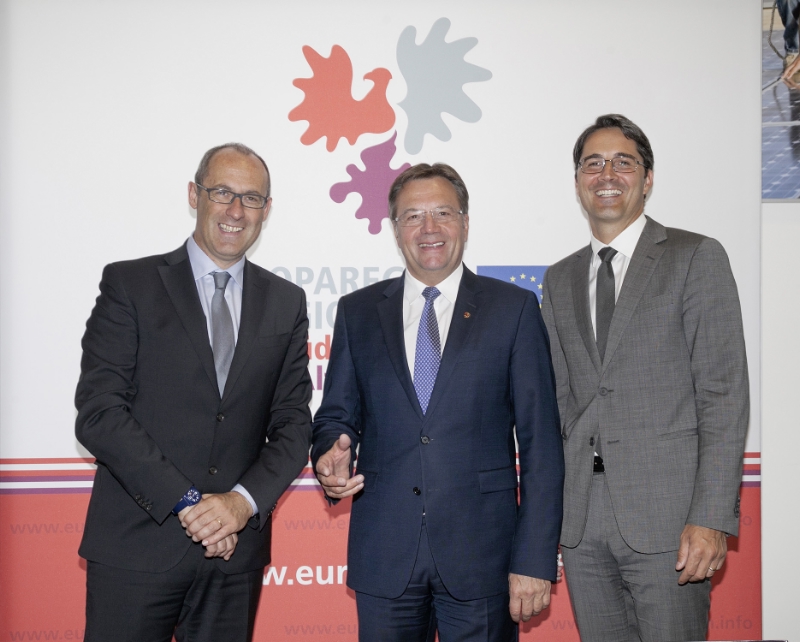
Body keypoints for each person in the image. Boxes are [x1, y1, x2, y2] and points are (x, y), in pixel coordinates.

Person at [311, 163, 564, 642]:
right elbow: (336, 416)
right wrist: (329, 454)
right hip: (385, 552)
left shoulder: (513, 310)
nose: (429, 228)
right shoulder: (357, 312)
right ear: (395, 230)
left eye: (443, 213)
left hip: (484, 558)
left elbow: (542, 445)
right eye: (413, 216)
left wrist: (534, 558)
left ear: (465, 222)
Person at [75, 143, 312, 641]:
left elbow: (293, 424)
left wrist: (240, 505)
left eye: (251, 198)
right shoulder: (130, 284)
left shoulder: (286, 302)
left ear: (266, 210)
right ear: (194, 194)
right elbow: (100, 413)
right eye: (222, 192)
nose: (235, 210)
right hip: (136, 548)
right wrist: (190, 504)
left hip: (234, 558)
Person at [541, 114, 749, 641]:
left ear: (647, 178)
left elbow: (723, 396)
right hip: (582, 524)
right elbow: (560, 401)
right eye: (593, 164)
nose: (607, 174)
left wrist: (711, 517)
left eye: (623, 162)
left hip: (672, 520)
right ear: (578, 182)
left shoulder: (694, 256)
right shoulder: (559, 278)